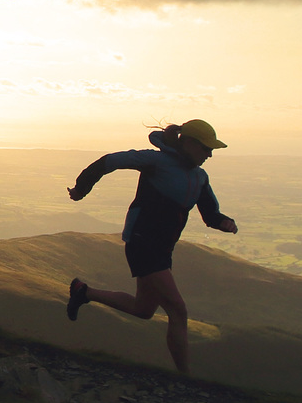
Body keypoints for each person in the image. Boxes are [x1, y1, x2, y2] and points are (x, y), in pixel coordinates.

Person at [63, 118, 237, 373]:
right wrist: (81, 188)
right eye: (206, 148)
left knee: (143, 309)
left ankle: (83, 292)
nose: (209, 155)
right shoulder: (156, 161)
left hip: (163, 249)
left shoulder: (199, 177)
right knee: (178, 310)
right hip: (142, 242)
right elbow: (108, 161)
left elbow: (210, 214)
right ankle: (185, 377)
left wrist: (224, 222)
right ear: (189, 143)